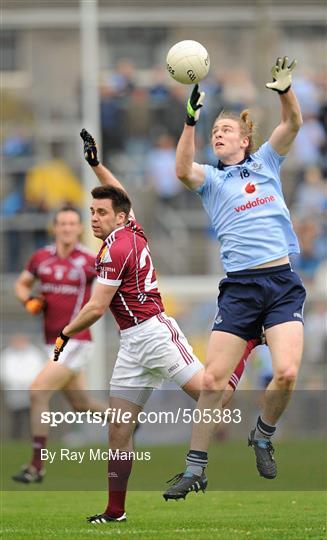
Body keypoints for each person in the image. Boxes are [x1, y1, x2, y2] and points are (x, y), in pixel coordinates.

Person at [52, 129, 261, 524]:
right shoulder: (129, 227)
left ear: (116, 217)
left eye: (100, 214)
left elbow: (97, 307)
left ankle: (247, 342)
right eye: (91, 212)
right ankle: (115, 511)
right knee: (118, 429)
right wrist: (96, 165)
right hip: (132, 344)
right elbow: (120, 195)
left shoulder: (117, 247)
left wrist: (64, 333)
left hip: (154, 332)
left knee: (211, 397)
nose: (93, 219)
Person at [163, 56, 306, 501]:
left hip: (280, 283)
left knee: (285, 373)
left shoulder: (266, 162)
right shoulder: (210, 180)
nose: (217, 135)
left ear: (245, 140)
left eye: (225, 131)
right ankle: (195, 469)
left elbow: (294, 123)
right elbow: (182, 170)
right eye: (213, 133)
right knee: (212, 383)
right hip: (241, 289)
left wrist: (284, 90)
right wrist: (190, 122)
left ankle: (262, 435)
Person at [12, 206, 107, 483]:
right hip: (49, 342)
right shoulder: (41, 258)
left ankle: (36, 466)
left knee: (37, 391)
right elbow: (21, 285)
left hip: (76, 341)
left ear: (79, 229)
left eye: (72, 223)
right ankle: (125, 419)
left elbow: (105, 294)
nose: (67, 228)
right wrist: (28, 299)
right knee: (82, 404)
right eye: (62, 223)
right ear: (55, 228)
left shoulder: (89, 261)